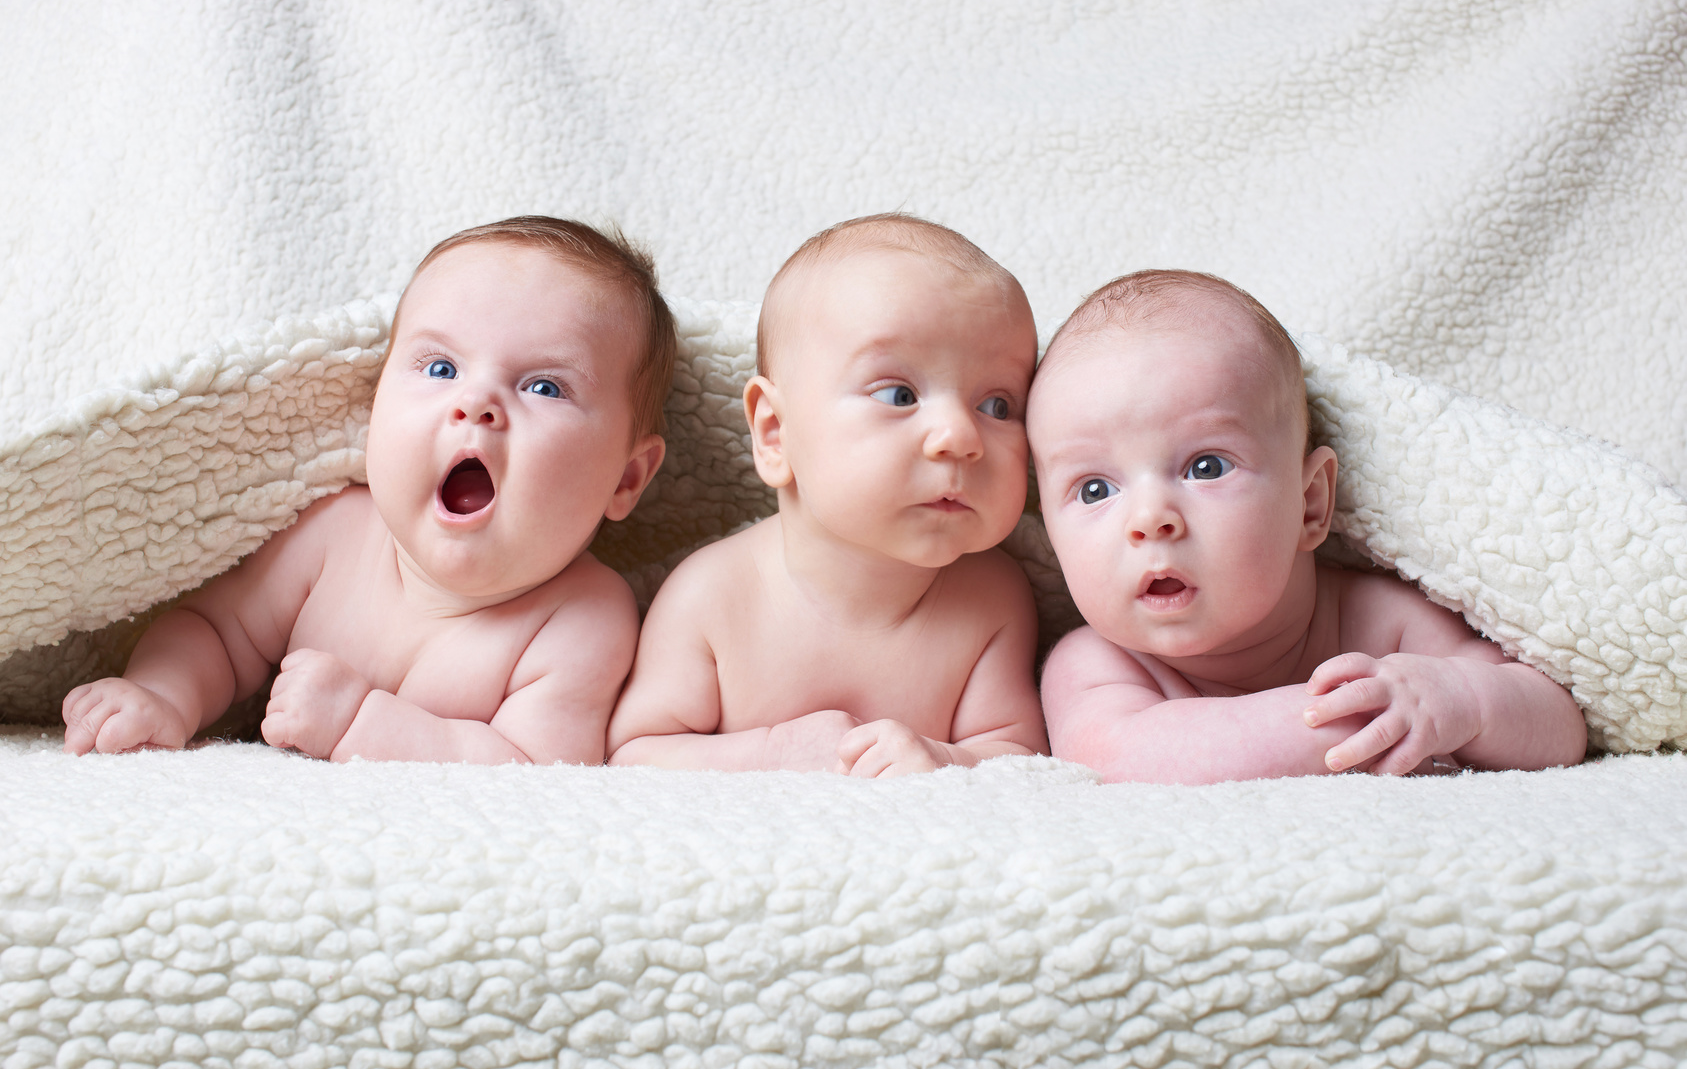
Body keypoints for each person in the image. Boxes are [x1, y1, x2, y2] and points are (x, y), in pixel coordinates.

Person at [62, 216, 672, 764]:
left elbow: (537, 768)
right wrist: (163, 695)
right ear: (373, 406)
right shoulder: (331, 536)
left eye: (543, 387)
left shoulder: (583, 619)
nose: (476, 403)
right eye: (441, 369)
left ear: (626, 478)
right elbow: (215, 632)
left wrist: (363, 724)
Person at [1029, 269, 1586, 783]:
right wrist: (1365, 718)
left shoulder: (1379, 621)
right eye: (1094, 489)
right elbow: (1125, 756)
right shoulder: (1094, 663)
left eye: (1206, 467)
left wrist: (1461, 700)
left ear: (1311, 502)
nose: (1150, 520)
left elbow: (1560, 728)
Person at [607, 214, 1047, 776]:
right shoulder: (711, 598)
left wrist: (942, 760)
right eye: (899, 393)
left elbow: (1018, 759)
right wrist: (770, 753)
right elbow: (633, 755)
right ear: (774, 432)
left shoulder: (993, 599)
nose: (961, 437)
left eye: (998, 406)